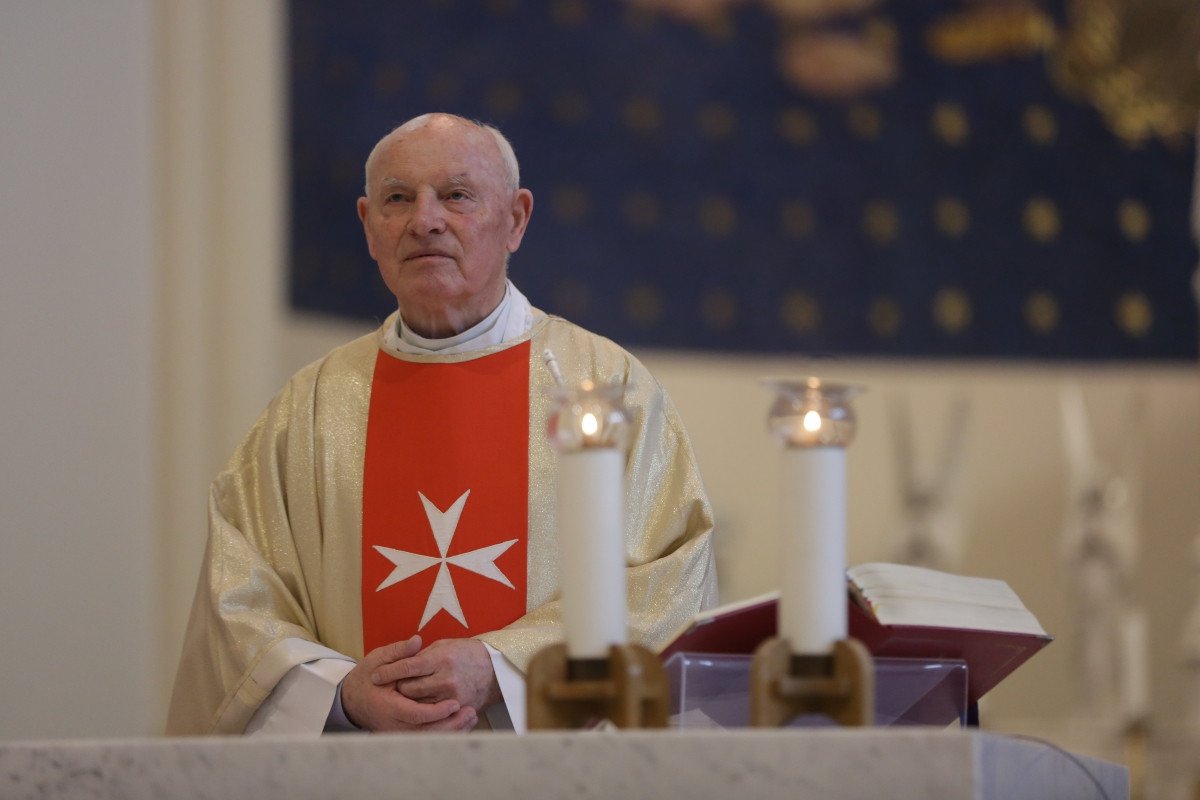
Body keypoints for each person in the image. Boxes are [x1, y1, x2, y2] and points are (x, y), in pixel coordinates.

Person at [166, 113, 718, 735]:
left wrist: (505, 666)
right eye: (398, 199)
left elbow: (670, 585)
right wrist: (340, 694)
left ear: (516, 219)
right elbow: (239, 605)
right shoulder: (310, 407)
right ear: (369, 227)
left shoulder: (605, 389)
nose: (424, 220)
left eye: (456, 195)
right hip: (362, 769)